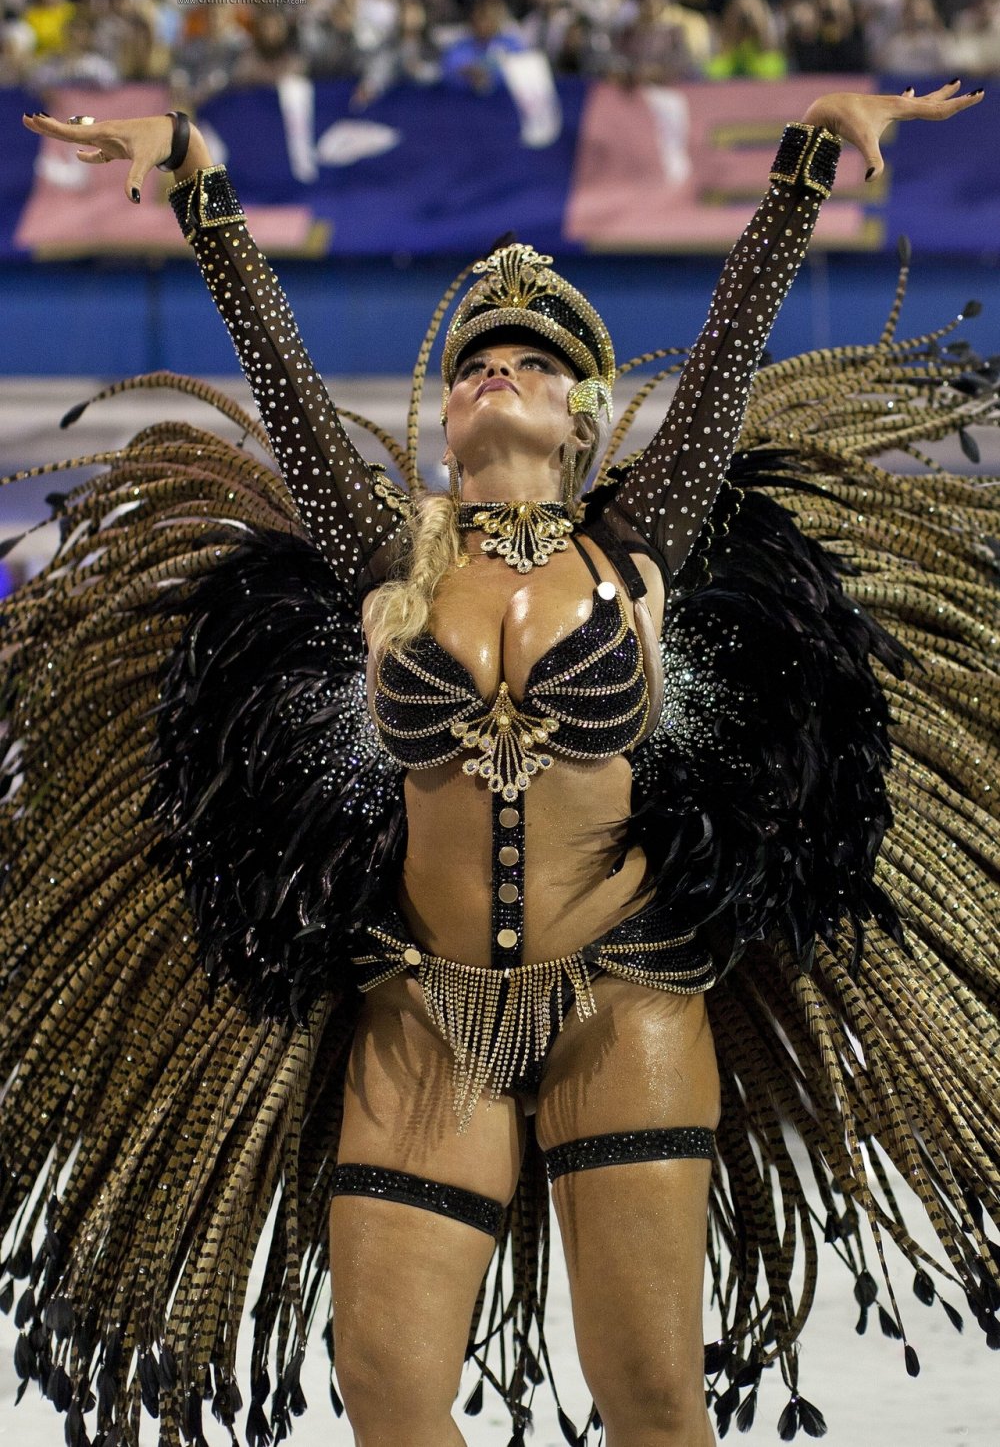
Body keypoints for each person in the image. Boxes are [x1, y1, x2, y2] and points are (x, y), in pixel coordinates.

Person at [4, 82, 997, 1447]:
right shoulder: (388, 556)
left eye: (531, 361)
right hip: (423, 1015)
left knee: (651, 1399)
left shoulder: (635, 542)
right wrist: (191, 179)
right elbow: (281, 379)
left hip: (628, 1004)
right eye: (476, 358)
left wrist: (807, 160)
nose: (496, 370)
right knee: (395, 1405)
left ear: (580, 421)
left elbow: (722, 358)